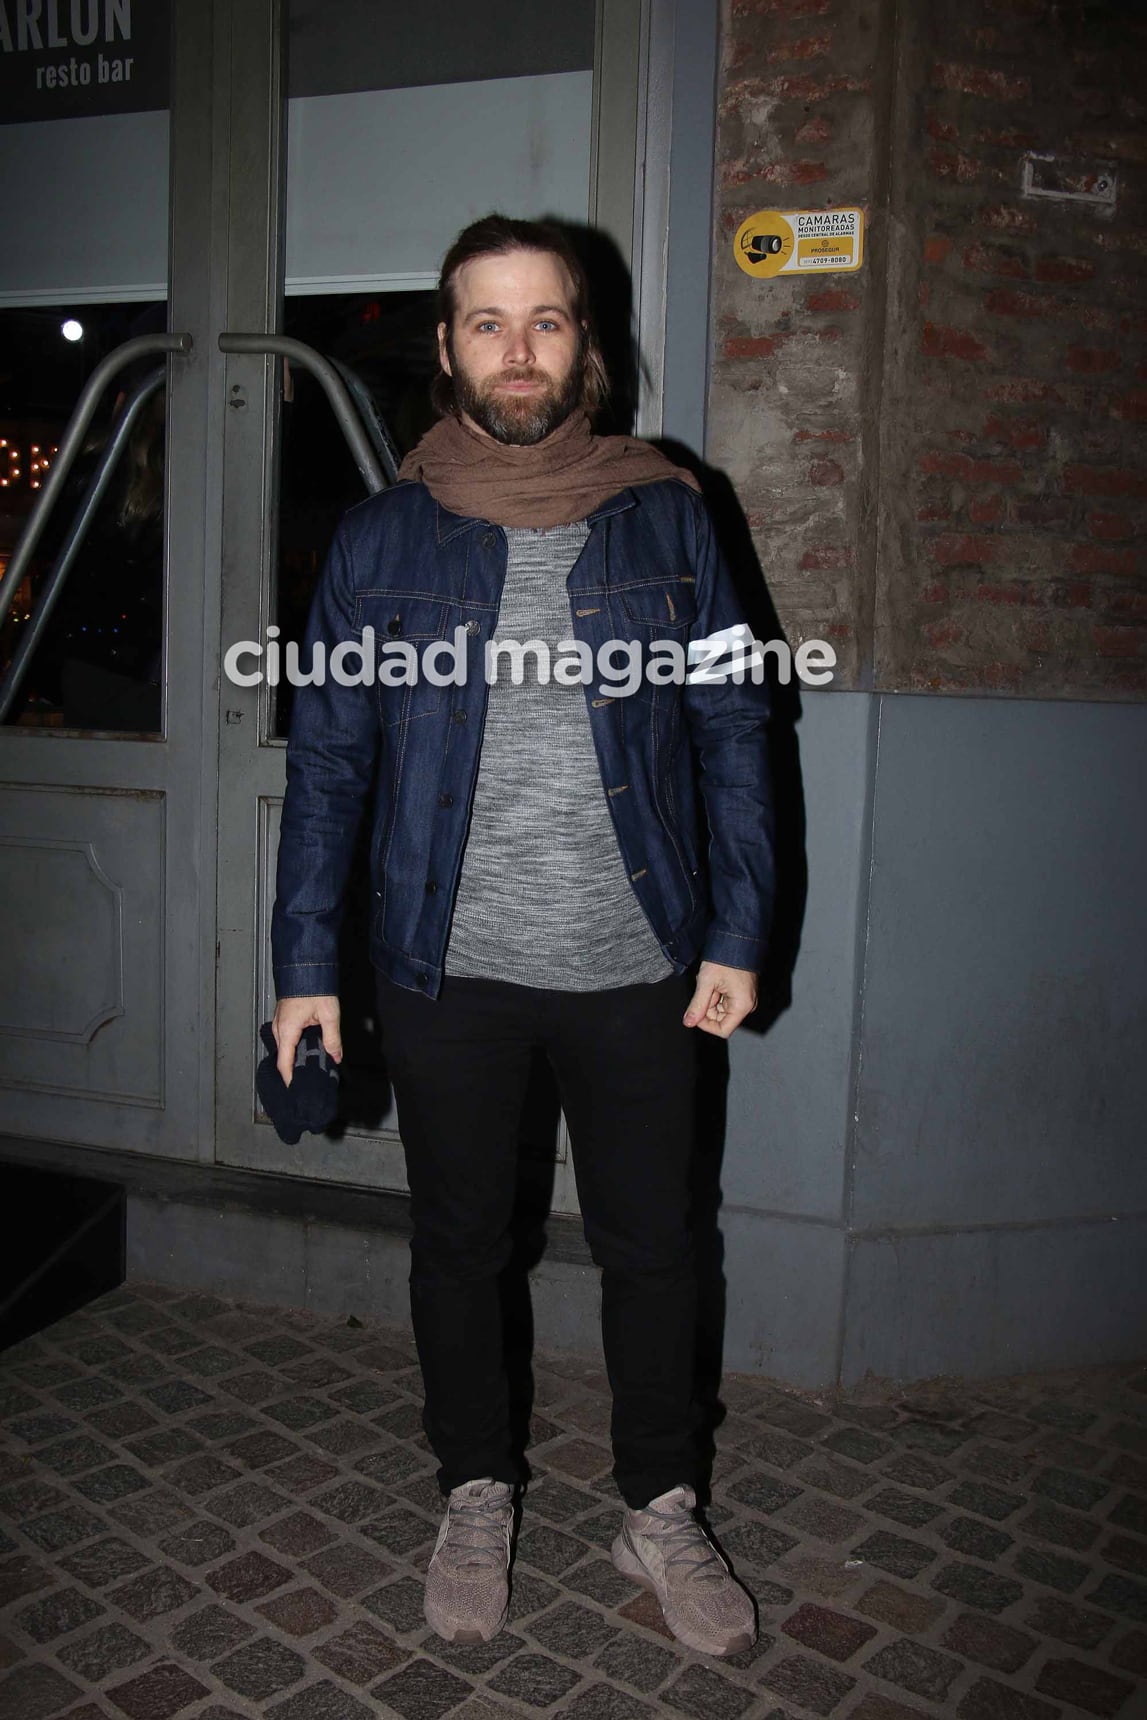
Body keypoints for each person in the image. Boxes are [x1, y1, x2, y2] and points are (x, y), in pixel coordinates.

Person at [270, 215, 775, 1657]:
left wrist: (739, 929)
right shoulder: (380, 538)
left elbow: (736, 727)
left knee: (660, 1246)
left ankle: (660, 1503)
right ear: (445, 349)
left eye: (544, 320)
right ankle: (476, 1485)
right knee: (459, 1246)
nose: (516, 349)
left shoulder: (674, 514)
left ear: (586, 345)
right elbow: (331, 767)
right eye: (485, 322)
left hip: (643, 965)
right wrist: (307, 963)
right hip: (449, 968)